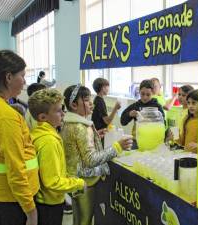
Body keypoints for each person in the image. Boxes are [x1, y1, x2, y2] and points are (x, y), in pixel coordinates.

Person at [60, 84, 132, 225]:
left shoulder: (69, 123)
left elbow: (77, 148)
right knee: (85, 220)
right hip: (85, 182)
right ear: (74, 105)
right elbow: (91, 160)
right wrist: (117, 147)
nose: (91, 103)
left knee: (78, 217)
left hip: (73, 178)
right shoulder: (81, 127)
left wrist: (95, 137)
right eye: (86, 100)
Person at [28, 89, 85, 225]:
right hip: (49, 204)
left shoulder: (39, 133)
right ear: (42, 117)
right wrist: (79, 183)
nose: (63, 113)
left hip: (45, 202)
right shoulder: (48, 141)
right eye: (58, 111)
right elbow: (52, 181)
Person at [0, 50, 39, 225]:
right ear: (8, 77)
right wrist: (30, 210)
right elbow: (15, 167)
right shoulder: (7, 117)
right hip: (13, 201)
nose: (25, 82)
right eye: (22, 76)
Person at [121, 79, 165, 149]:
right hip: (137, 140)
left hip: (153, 140)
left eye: (148, 94)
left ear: (153, 93)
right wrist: (129, 114)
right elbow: (122, 121)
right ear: (139, 92)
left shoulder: (157, 107)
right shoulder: (136, 106)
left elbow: (163, 124)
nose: (145, 97)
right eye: (142, 94)